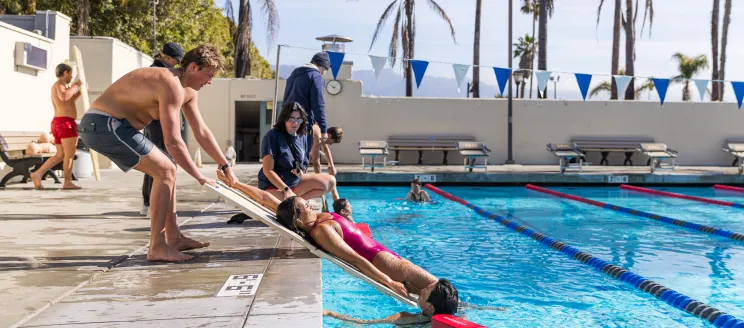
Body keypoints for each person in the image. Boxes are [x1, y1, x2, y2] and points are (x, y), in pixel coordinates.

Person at [77, 45, 238, 262]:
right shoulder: (169, 83)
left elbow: (201, 131)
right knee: (166, 169)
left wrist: (225, 164)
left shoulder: (188, 91)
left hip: (117, 126)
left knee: (167, 168)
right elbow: (173, 141)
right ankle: (157, 246)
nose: (209, 81)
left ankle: (174, 237)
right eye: (208, 75)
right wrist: (199, 176)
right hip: (101, 124)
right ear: (192, 67)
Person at [276, 196, 458, 312]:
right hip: (389, 267)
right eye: (306, 206)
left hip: (389, 257)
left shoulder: (317, 219)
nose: (311, 205)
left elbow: (267, 199)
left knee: (447, 298)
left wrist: (246, 190)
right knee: (444, 299)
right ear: (299, 220)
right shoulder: (321, 231)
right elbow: (355, 259)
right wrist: (389, 282)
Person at [258, 102, 337, 202]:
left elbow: (302, 162)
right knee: (296, 206)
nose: (295, 123)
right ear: (284, 119)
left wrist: (299, 170)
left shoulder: (302, 135)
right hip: (274, 187)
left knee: (330, 182)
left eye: (298, 120)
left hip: (294, 183)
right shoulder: (272, 136)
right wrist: (286, 189)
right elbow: (268, 171)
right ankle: (293, 202)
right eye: (291, 119)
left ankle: (295, 202)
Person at [141, 42, 185, 216]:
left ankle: (150, 202)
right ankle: (149, 202)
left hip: (156, 121)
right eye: (175, 60)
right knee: (158, 163)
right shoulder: (157, 72)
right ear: (167, 57)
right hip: (157, 122)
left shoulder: (161, 71)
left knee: (157, 162)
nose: (177, 64)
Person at [30, 63, 86, 190]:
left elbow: (68, 100)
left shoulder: (62, 86)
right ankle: (67, 182)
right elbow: (65, 97)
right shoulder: (59, 84)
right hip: (64, 123)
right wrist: (76, 85)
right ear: (65, 72)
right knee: (69, 155)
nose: (71, 77)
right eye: (70, 74)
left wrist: (79, 92)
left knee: (60, 154)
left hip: (59, 123)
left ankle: (37, 174)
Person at [283, 52, 331, 156]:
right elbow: (318, 104)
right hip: (302, 123)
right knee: (302, 157)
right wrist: (323, 129)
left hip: (286, 121)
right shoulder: (316, 76)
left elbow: (285, 99)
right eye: (325, 70)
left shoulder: (292, 76)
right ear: (322, 66)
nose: (323, 73)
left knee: (287, 156)